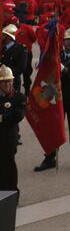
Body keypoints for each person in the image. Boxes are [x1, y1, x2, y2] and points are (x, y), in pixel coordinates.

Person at [35, 27, 70, 173]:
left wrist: (65, 70)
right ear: (63, 41)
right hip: (57, 97)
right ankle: (50, 157)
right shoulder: (56, 55)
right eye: (68, 40)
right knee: (53, 128)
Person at [0, 65, 26, 201]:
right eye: (4, 82)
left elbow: (18, 116)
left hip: (8, 137)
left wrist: (2, 117)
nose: (7, 84)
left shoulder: (18, 97)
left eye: (9, 81)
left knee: (8, 166)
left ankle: (11, 195)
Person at [1, 24, 27, 93]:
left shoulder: (20, 49)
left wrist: (7, 75)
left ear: (9, 37)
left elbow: (21, 68)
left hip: (12, 82)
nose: (1, 37)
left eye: (3, 35)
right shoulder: (2, 48)